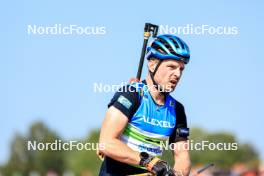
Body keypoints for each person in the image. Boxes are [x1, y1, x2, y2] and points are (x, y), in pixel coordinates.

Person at [98, 34, 191, 176]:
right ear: (152, 64)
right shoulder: (131, 95)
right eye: (171, 66)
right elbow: (106, 143)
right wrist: (151, 162)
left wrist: (176, 174)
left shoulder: (177, 109)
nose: (177, 74)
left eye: (181, 69)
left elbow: (182, 156)